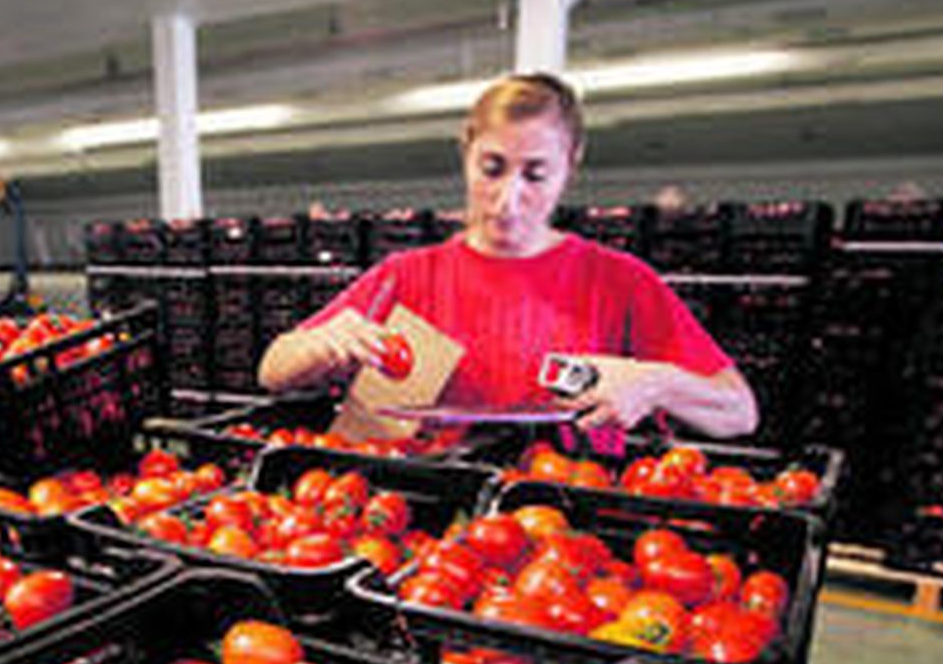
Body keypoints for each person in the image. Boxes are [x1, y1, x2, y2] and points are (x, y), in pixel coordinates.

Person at [257, 73, 758, 441]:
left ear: (570, 166)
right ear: (466, 152)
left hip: (569, 523)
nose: (507, 199)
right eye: (492, 168)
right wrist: (320, 344)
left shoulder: (620, 281)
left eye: (535, 175)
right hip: (430, 526)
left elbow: (739, 411)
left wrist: (656, 384)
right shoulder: (407, 276)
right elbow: (272, 370)